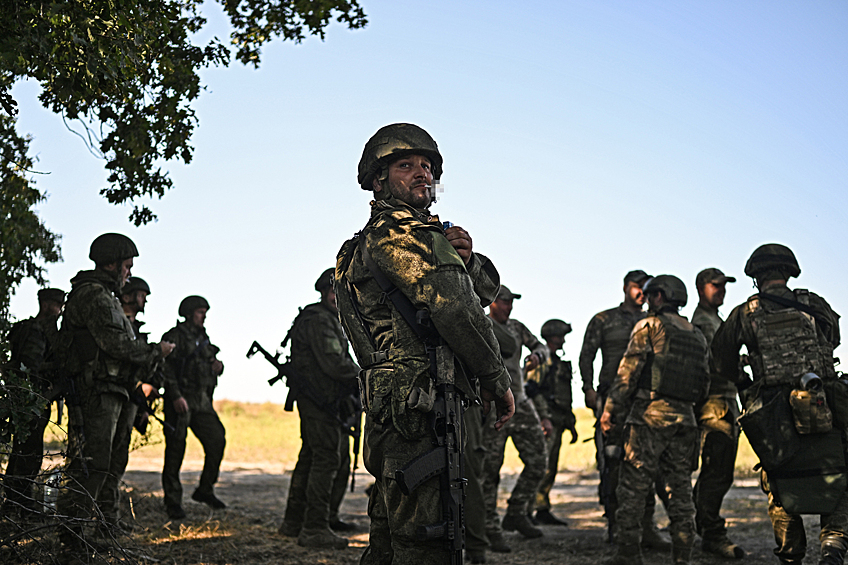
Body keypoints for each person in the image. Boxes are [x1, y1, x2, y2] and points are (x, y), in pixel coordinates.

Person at [334, 123, 515, 565]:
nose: (422, 173)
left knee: (391, 535)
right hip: (419, 403)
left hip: (400, 404)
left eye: (428, 166)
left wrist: (466, 260)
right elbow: (458, 310)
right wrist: (496, 379)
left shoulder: (376, 241)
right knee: (425, 540)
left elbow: (484, 291)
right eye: (406, 166)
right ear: (379, 180)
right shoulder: (402, 234)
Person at [711, 244, 844, 565]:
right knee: (838, 469)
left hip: (774, 408)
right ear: (789, 272)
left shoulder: (745, 312)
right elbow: (833, 338)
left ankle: (791, 556)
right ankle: (834, 544)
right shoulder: (814, 304)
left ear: (755, 277)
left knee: (780, 477)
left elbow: (721, 357)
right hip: (823, 399)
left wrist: (744, 380)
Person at [55, 233, 173, 559]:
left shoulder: (103, 295)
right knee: (89, 464)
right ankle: (71, 533)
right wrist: (156, 352)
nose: (128, 274)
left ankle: (77, 530)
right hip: (96, 392)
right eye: (126, 267)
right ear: (110, 264)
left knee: (97, 465)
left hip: (107, 390)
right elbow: (117, 346)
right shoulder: (95, 295)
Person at [600, 275, 709, 565]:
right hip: (685, 420)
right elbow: (705, 383)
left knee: (633, 490)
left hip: (649, 417)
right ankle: (683, 558)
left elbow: (626, 375)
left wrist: (609, 411)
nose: (647, 301)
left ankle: (628, 555)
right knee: (681, 492)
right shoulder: (697, 334)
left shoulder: (649, 326)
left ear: (660, 297)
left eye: (651, 296)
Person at [579, 270, 669, 547]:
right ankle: (616, 525)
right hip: (613, 400)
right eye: (636, 286)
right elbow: (587, 355)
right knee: (613, 461)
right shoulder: (604, 319)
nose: (641, 292)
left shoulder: (652, 321)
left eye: (645, 287)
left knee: (648, 463)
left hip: (646, 401)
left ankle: (647, 528)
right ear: (625, 288)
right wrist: (588, 388)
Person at [278, 268, 361, 549]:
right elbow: (335, 364)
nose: (338, 298)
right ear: (325, 293)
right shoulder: (320, 321)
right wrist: (366, 376)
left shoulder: (328, 319)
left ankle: (296, 521)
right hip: (318, 401)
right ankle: (314, 527)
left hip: (323, 400)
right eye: (334, 293)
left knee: (312, 458)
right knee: (326, 459)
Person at [481, 285, 549, 549]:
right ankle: (489, 527)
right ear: (492, 303)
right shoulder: (482, 325)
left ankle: (517, 512)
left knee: (539, 461)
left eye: (511, 302)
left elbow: (541, 346)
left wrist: (537, 356)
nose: (509, 306)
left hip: (520, 402)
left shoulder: (517, 328)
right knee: (489, 470)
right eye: (504, 301)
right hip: (492, 406)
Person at [92, 276, 161, 532]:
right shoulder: (114, 322)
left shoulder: (134, 327)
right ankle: (87, 523)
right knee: (100, 460)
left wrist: (143, 404)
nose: (145, 300)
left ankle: (108, 520)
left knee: (117, 460)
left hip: (129, 399)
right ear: (130, 295)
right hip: (109, 394)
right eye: (142, 294)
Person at [690, 268, 745, 559]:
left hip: (724, 401)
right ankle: (709, 531)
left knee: (718, 472)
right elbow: (713, 362)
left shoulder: (714, 320)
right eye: (716, 286)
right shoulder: (703, 321)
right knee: (717, 471)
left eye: (724, 286)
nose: (721, 290)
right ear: (701, 288)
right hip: (715, 403)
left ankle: (699, 523)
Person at [161, 295, 226, 519]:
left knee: (217, 438)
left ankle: (205, 489)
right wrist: (176, 396)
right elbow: (166, 370)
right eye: (200, 311)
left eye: (205, 311)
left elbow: (210, 362)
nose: (204, 315)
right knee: (175, 451)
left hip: (201, 401)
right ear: (189, 313)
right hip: (180, 401)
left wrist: (218, 366)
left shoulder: (203, 338)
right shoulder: (174, 336)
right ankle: (173, 502)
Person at [4, 287, 65, 518]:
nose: (59, 312)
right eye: (57, 306)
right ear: (48, 305)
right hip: (31, 400)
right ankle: (19, 505)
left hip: (30, 399)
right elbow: (31, 365)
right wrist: (57, 371)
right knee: (28, 454)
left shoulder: (32, 329)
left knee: (25, 452)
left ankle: (17, 502)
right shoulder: (37, 331)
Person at [527, 318, 577, 526]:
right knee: (541, 466)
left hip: (558, 420)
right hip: (545, 421)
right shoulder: (541, 361)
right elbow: (531, 388)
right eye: (561, 336)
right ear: (553, 336)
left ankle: (542, 507)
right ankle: (528, 510)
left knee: (551, 467)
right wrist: (543, 417)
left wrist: (571, 423)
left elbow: (565, 396)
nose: (563, 340)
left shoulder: (557, 362)